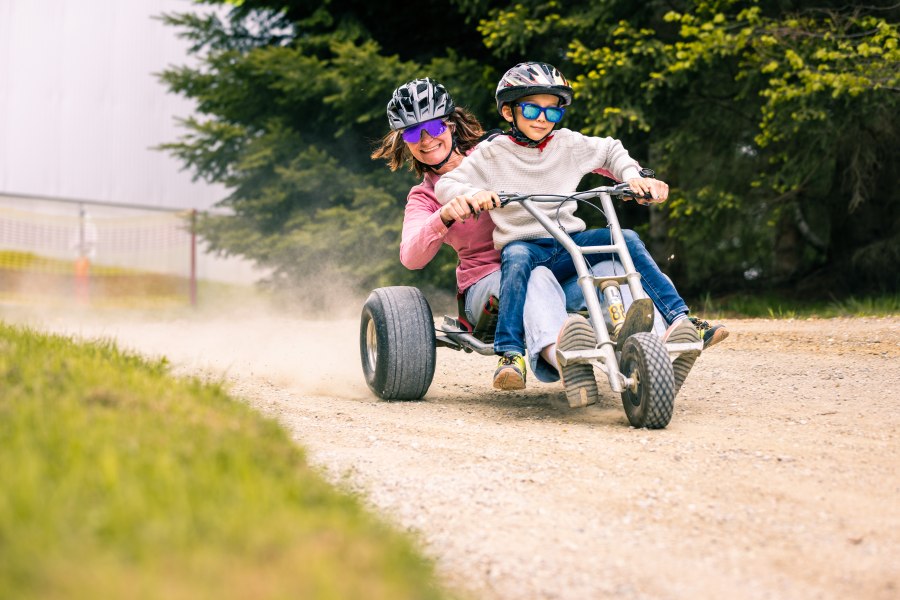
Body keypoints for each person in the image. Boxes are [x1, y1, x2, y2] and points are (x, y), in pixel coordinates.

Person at [434, 62, 727, 396]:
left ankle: (681, 319)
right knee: (514, 257)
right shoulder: (491, 153)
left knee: (626, 239)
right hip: (526, 246)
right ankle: (510, 355)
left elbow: (610, 149)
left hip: (568, 242)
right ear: (508, 111)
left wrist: (632, 177)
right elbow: (449, 184)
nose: (542, 118)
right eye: (531, 109)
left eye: (552, 112)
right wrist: (474, 195)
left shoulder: (568, 144)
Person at [373, 77, 655, 406]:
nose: (425, 140)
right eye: (411, 133)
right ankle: (565, 362)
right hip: (488, 289)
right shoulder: (424, 197)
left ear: (450, 125)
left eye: (433, 127)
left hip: (553, 263)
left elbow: (579, 157)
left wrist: (634, 178)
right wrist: (444, 215)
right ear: (403, 142)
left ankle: (652, 348)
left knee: (608, 265)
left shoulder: (494, 153)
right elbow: (411, 257)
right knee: (534, 274)